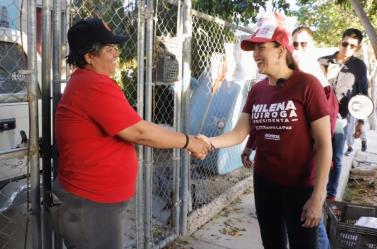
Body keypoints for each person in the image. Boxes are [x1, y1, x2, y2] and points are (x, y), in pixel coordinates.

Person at [53, 17, 210, 249]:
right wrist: (189, 142)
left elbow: (134, 124)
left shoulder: (88, 83)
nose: (116, 53)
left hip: (94, 202)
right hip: (92, 203)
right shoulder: (92, 85)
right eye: (110, 49)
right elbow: (138, 131)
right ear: (89, 57)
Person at [199, 23, 332, 249]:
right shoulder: (257, 89)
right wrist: (208, 142)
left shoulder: (307, 85)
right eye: (253, 49)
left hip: (299, 186)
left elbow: (324, 145)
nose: (255, 55)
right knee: (272, 243)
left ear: (281, 50)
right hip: (264, 181)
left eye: (261, 48)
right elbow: (239, 132)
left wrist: (318, 197)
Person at [319, 28, 368, 201]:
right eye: (345, 43)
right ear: (340, 42)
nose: (347, 48)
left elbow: (363, 94)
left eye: (352, 46)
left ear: (358, 48)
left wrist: (361, 122)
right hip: (318, 117)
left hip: (342, 119)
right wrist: (325, 74)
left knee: (336, 157)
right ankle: (307, 189)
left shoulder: (359, 67)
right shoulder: (323, 61)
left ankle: (331, 195)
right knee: (312, 154)